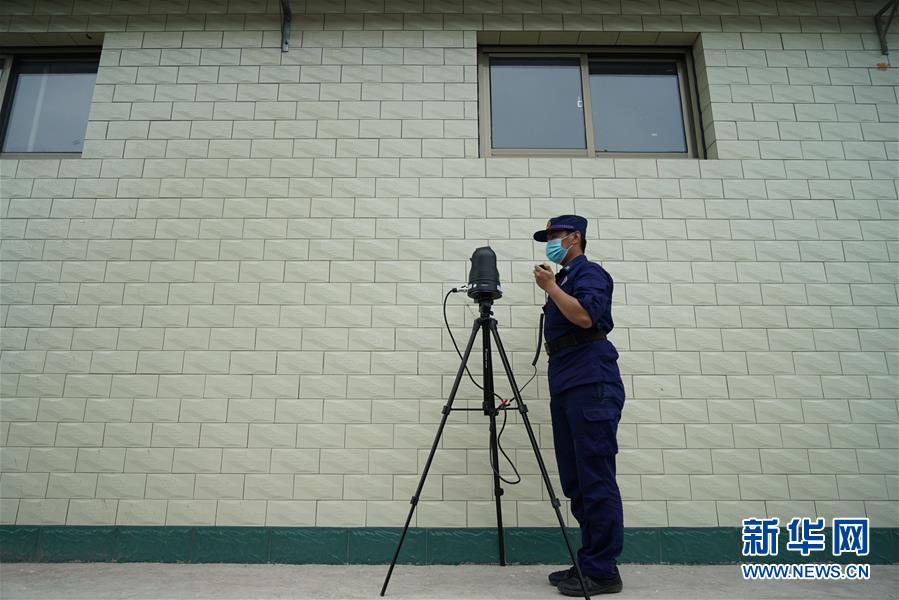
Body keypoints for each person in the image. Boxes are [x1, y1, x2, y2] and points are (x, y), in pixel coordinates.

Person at [532, 215, 625, 596]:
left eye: (555, 236)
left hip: (591, 383)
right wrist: (556, 286)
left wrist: (551, 288)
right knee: (576, 480)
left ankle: (603, 571)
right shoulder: (566, 279)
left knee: (595, 476)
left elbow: (586, 317)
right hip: (568, 383)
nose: (550, 243)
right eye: (547, 237)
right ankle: (590, 561)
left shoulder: (589, 273)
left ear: (575, 237)